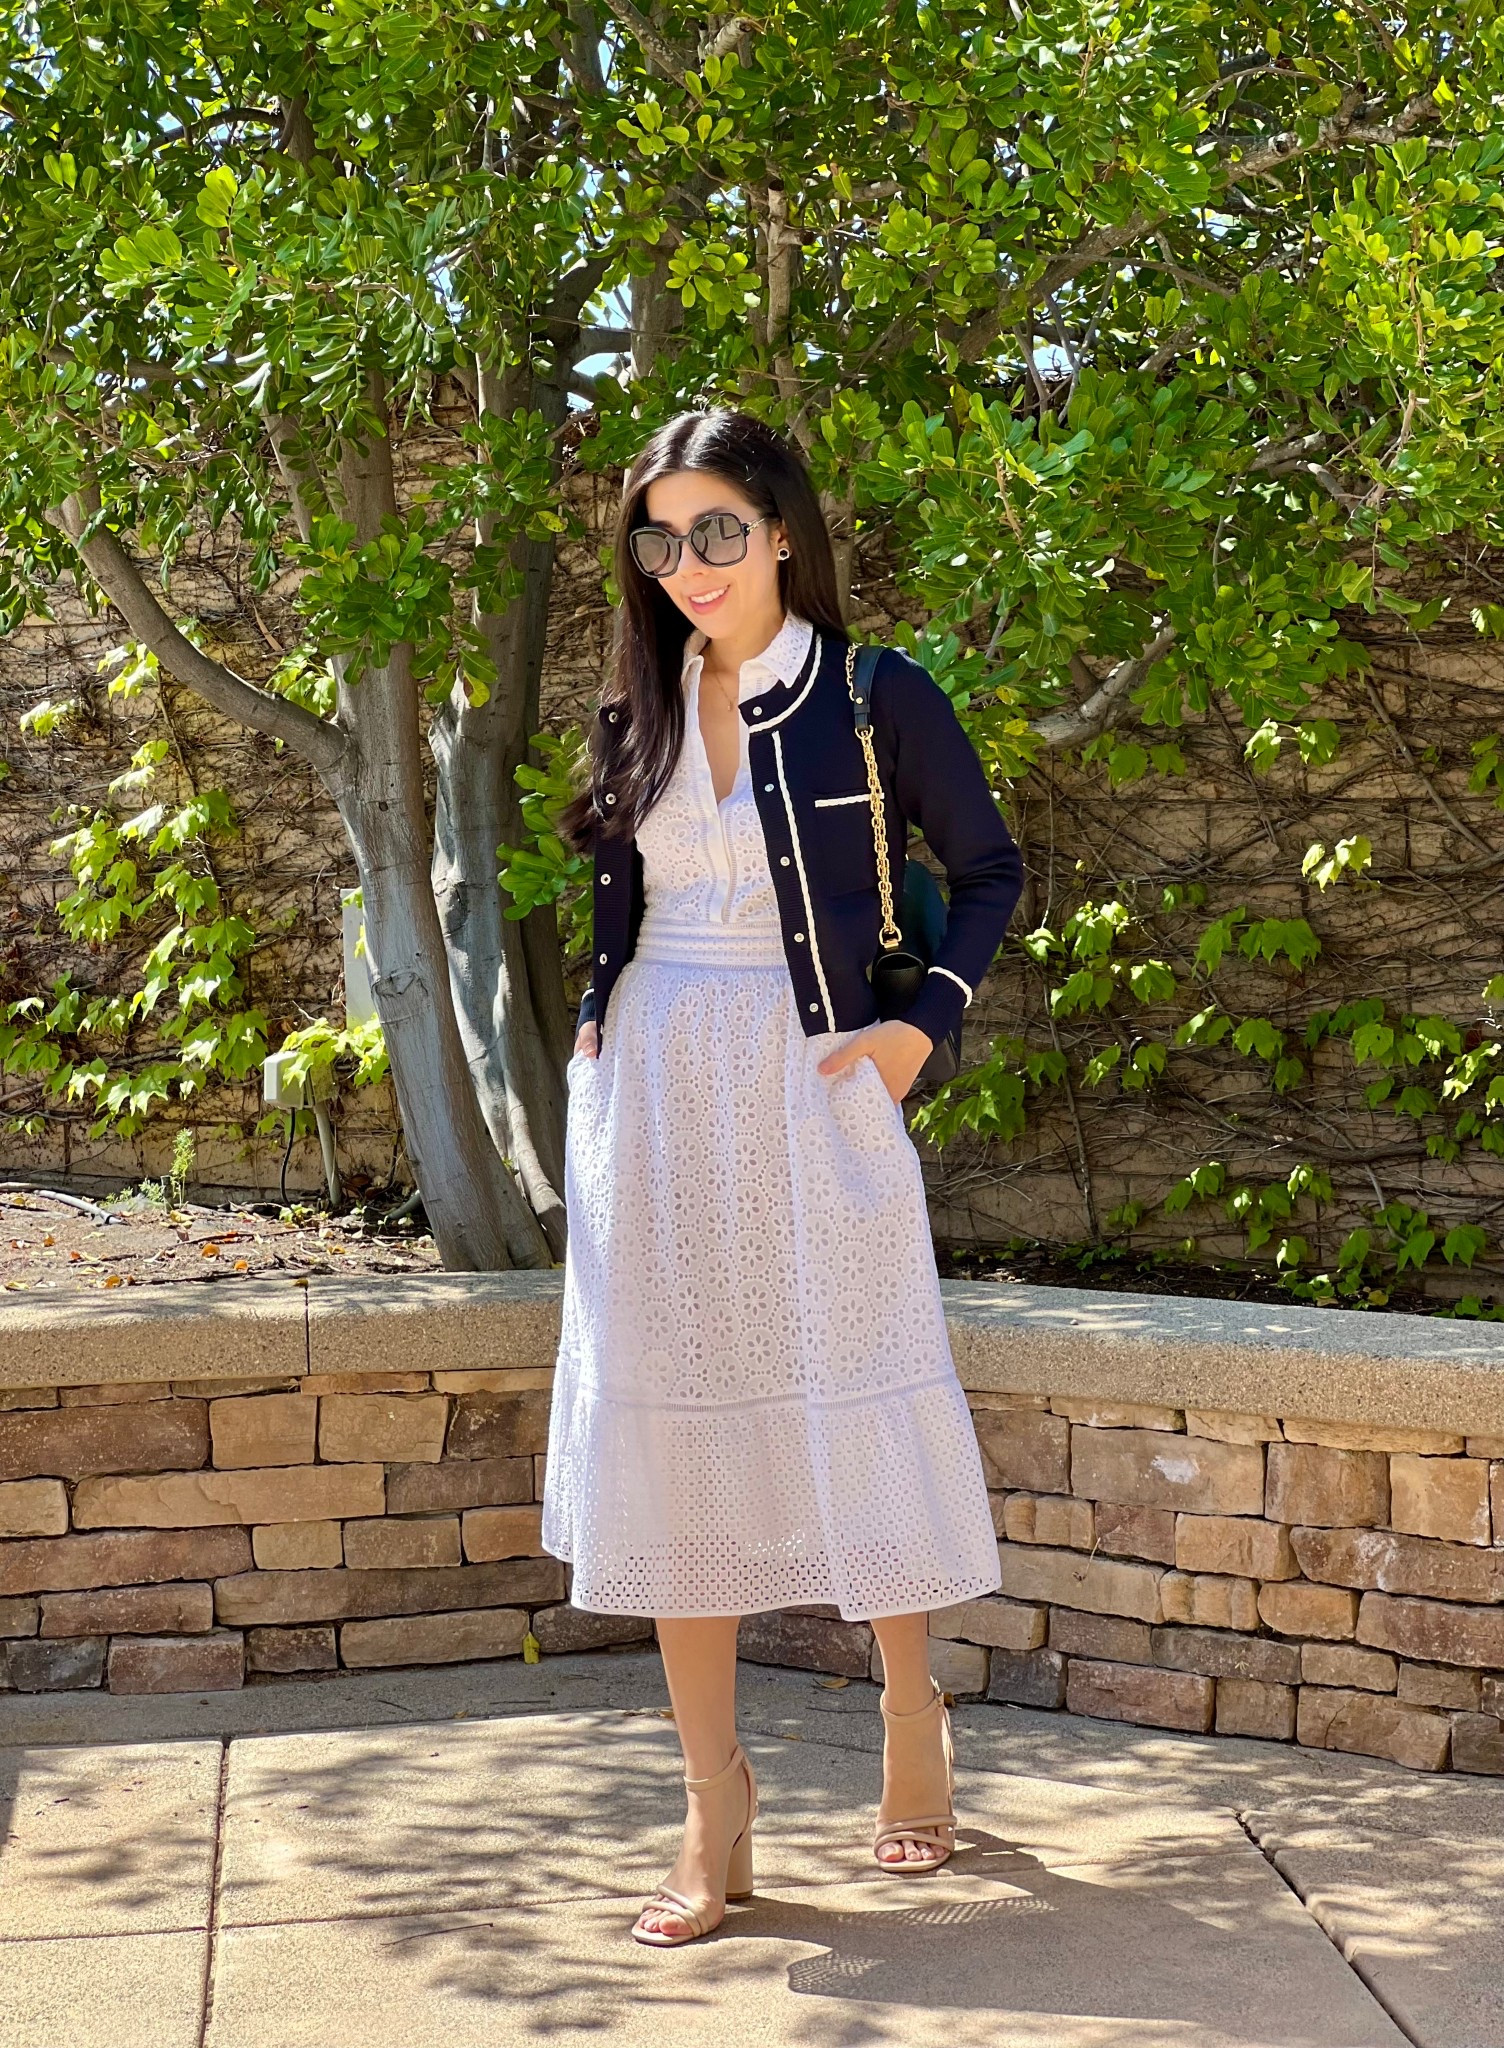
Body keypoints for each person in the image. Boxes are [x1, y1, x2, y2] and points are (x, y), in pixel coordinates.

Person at [543, 407, 1023, 1949]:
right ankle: (714, 1800)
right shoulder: (634, 707)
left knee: (855, 1383)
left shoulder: (873, 696)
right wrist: (595, 1030)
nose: (690, 564)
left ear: (781, 533)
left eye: (720, 532)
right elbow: (618, 897)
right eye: (661, 537)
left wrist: (916, 1036)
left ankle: (909, 1710)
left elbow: (990, 872)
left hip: (815, 1087)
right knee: (673, 1430)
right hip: (655, 1103)